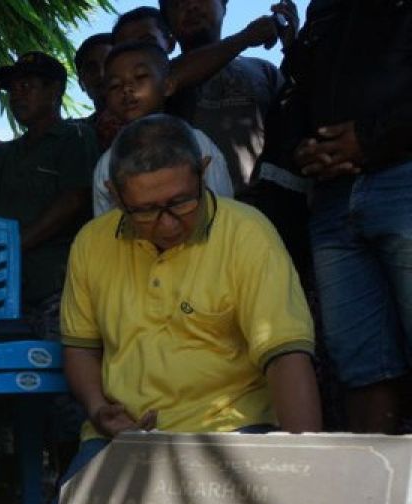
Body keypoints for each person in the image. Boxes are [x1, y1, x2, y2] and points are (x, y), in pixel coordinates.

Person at [60, 114, 321, 484]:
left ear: (204, 172)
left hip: (231, 429)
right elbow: (81, 347)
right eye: (146, 211)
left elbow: (286, 356)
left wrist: (308, 470)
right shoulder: (90, 242)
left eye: (181, 202)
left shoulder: (248, 233)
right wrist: (99, 409)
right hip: (122, 437)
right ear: (114, 196)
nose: (167, 224)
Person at [279, 0, 412, 434]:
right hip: (333, 199)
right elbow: (299, 88)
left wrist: (372, 138)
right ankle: (375, 493)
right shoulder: (325, 9)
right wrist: (301, 147)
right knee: (361, 367)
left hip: (403, 179)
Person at [0, 53, 99, 332]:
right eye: (13, 91)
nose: (17, 97)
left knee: (55, 365)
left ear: (54, 90)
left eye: (28, 87)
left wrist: (15, 244)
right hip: (7, 286)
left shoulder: (75, 137)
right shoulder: (9, 152)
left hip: (57, 284)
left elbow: (74, 199)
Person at [159, 0, 299, 193]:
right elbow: (168, 81)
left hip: (261, 209)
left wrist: (292, 47)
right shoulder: (160, 76)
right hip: (191, 208)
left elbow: (298, 116)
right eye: (178, 3)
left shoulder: (264, 70)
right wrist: (247, 37)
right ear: (168, 24)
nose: (192, 6)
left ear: (224, 6)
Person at [93, 42, 233, 216]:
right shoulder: (107, 164)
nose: (126, 89)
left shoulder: (197, 143)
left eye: (140, 76)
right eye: (115, 85)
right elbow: (105, 227)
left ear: (167, 85)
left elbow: (223, 210)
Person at [73, 32, 116, 127]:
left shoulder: (152, 123)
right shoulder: (73, 135)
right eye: (92, 69)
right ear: (81, 82)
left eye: (108, 65)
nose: (101, 74)